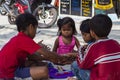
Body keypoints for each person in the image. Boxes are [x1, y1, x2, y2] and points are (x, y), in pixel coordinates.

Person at [0, 13, 69, 80]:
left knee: (36, 63)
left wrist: (47, 59)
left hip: (7, 69)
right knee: (44, 71)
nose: (35, 32)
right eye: (35, 29)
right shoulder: (24, 39)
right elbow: (46, 53)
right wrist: (61, 58)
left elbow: (32, 56)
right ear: (31, 27)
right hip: (9, 73)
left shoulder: (18, 38)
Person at [68, 14, 120, 80]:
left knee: (75, 65)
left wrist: (80, 50)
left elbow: (82, 64)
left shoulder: (93, 47)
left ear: (92, 32)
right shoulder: (115, 43)